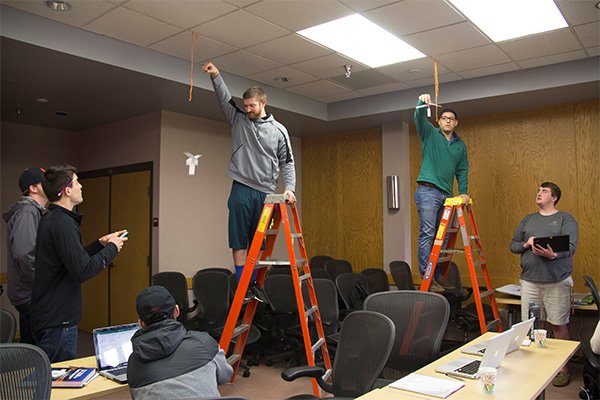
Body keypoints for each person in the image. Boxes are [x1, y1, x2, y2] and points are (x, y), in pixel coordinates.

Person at [202, 62, 296, 298]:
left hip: (265, 191)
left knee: (258, 244)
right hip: (241, 187)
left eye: (252, 105)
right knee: (239, 241)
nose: (248, 109)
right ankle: (245, 286)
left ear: (263, 103)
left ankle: (252, 283)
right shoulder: (239, 120)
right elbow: (224, 100)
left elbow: (287, 162)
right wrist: (216, 76)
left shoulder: (279, 131)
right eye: (246, 106)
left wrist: (290, 189)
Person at [30, 164, 127, 362]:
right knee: (57, 383)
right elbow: (82, 270)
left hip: (54, 316)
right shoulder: (62, 223)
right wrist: (112, 248)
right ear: (67, 190)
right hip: (58, 320)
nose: (81, 186)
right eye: (77, 182)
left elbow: (73, 259)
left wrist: (100, 244)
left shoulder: (56, 219)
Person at [510, 181, 578, 387]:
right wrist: (526, 244)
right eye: (538, 190)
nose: (539, 193)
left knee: (558, 324)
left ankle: (563, 369)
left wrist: (553, 254)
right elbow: (513, 245)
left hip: (556, 282)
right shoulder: (528, 219)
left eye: (544, 191)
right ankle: (533, 367)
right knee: (530, 325)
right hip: (530, 282)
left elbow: (571, 247)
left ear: (554, 197)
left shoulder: (565, 219)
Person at [127, 286, 233, 399]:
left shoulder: (134, 365)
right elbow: (225, 376)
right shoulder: (204, 342)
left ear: (141, 323)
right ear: (176, 311)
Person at [414, 94, 469, 291]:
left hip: (447, 195)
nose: (447, 121)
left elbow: (462, 171)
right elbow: (418, 118)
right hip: (427, 191)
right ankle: (426, 276)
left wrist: (463, 192)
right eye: (444, 118)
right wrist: (422, 103)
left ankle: (436, 275)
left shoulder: (460, 145)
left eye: (451, 119)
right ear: (438, 121)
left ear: (456, 123)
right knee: (428, 234)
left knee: (442, 237)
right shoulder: (429, 133)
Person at [3, 167, 47, 344]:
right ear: (33, 188)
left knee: (33, 346)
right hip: (30, 294)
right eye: (45, 181)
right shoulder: (28, 212)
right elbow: (24, 253)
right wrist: (43, 284)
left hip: (29, 293)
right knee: (39, 349)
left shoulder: (33, 211)